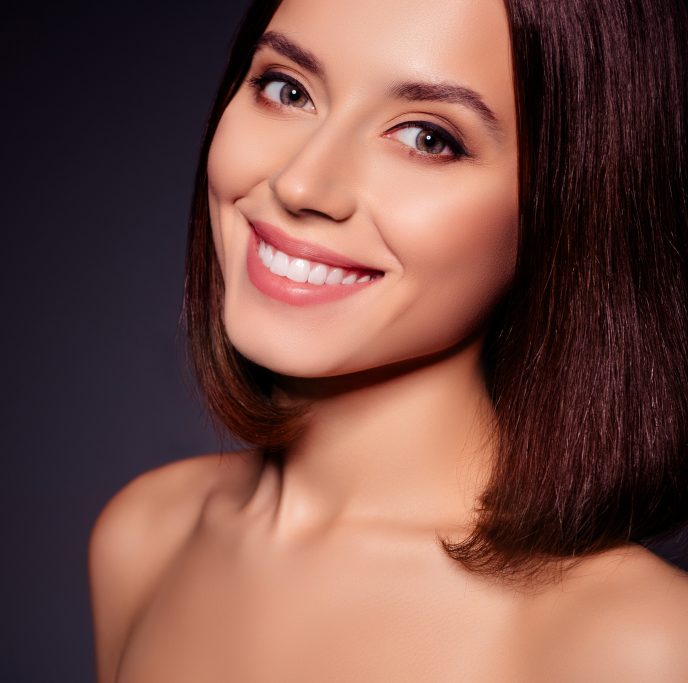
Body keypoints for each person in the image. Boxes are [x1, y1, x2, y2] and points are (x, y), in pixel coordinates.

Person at [89, 0, 688, 679]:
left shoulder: (644, 646)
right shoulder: (145, 538)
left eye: (428, 138)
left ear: (572, 205)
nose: (302, 183)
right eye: (287, 88)